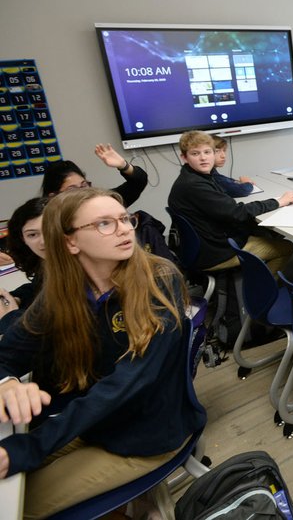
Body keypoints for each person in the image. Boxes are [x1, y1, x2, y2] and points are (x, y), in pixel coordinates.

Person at [0, 187, 206, 518]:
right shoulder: (61, 294)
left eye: (125, 219)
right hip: (95, 424)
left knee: (20, 507)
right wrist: (7, 382)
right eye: (104, 224)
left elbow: (127, 383)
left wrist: (33, 446)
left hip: (144, 436)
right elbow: (6, 354)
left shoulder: (158, 279)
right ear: (70, 242)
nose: (125, 229)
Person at [168, 130, 293, 273]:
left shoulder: (194, 177)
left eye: (207, 152)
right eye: (195, 154)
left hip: (201, 245)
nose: (203, 158)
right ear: (184, 157)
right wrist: (278, 202)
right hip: (214, 253)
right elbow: (237, 213)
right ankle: (262, 292)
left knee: (262, 229)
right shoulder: (195, 185)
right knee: (286, 247)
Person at [41, 144, 148, 207]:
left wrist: (123, 166)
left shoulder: (102, 202)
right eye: (72, 189)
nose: (82, 193)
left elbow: (139, 182)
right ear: (53, 197)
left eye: (84, 185)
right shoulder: (48, 223)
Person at [0, 198, 48, 331]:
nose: (43, 241)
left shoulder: (81, 267)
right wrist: (15, 298)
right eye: (32, 234)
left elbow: (50, 330)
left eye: (49, 230)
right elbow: (39, 288)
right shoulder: (46, 264)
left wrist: (9, 316)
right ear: (23, 239)